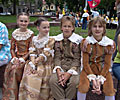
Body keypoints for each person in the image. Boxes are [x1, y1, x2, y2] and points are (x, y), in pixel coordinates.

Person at [77, 17, 116, 100]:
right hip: (88, 68)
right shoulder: (86, 42)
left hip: (103, 69)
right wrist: (93, 78)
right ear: (91, 28)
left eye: (100, 26)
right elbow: (85, 63)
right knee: (83, 86)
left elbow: (107, 64)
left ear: (104, 29)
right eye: (95, 26)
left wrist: (100, 78)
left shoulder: (109, 43)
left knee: (109, 88)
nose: (97, 29)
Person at [18, 17, 55, 100]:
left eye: (48, 27)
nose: (47, 29)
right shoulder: (34, 39)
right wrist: (32, 63)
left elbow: (45, 54)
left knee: (38, 74)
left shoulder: (50, 40)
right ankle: (28, 97)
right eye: (44, 27)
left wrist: (35, 63)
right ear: (38, 28)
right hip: (35, 62)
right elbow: (32, 52)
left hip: (46, 64)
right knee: (28, 73)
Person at [49, 16, 83, 100]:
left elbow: (76, 59)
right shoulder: (58, 40)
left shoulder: (77, 40)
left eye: (69, 26)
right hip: (61, 65)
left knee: (74, 82)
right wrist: (58, 70)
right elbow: (57, 57)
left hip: (73, 66)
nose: (67, 28)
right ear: (61, 27)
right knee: (53, 81)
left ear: (73, 28)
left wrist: (69, 73)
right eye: (65, 26)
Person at [2, 12, 34, 100]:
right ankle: (10, 95)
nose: (23, 23)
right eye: (21, 21)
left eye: (25, 21)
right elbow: (12, 48)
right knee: (9, 69)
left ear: (28, 22)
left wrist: (23, 59)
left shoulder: (30, 34)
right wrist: (14, 58)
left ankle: (18, 96)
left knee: (16, 70)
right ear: (17, 21)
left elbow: (31, 50)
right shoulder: (15, 33)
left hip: (26, 58)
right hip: (16, 57)